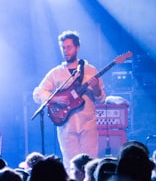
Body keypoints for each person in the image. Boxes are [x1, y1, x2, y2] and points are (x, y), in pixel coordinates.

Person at [32, 31, 105, 170]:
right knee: (70, 165)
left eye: (69, 47)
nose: (66, 51)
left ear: (77, 47)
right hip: (66, 126)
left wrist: (96, 87)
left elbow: (101, 99)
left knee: (91, 165)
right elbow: (38, 93)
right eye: (63, 47)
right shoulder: (57, 72)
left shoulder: (90, 70)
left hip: (88, 124)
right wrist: (57, 99)